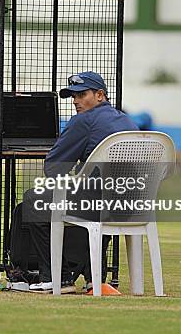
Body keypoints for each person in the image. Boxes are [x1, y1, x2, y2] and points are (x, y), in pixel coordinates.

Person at [23, 71, 138, 292]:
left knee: (33, 199)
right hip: (131, 206)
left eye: (81, 94)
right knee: (95, 197)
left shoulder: (83, 121)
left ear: (100, 95)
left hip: (97, 206)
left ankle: (57, 278)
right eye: (73, 97)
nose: (75, 101)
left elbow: (54, 167)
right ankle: (94, 278)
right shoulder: (126, 120)